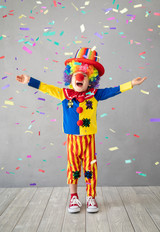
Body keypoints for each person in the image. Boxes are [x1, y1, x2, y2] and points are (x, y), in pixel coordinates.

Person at [16, 47, 147, 213]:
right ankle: (73, 197)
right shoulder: (64, 93)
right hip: (72, 140)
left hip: (89, 140)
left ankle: (91, 196)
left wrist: (131, 84)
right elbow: (46, 87)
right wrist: (29, 80)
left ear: (90, 79)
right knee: (73, 167)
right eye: (77, 74)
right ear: (70, 77)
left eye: (84, 75)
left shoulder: (94, 94)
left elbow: (113, 91)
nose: (80, 77)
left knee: (90, 168)